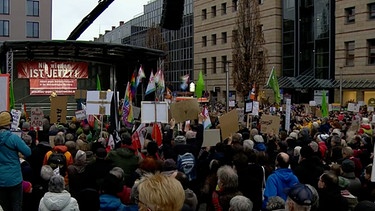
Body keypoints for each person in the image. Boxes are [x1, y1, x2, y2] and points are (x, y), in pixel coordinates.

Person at [0, 111, 32, 211]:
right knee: (16, 206)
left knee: (4, 207)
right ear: (9, 124)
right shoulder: (13, 138)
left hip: (1, 179)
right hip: (15, 178)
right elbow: (28, 152)